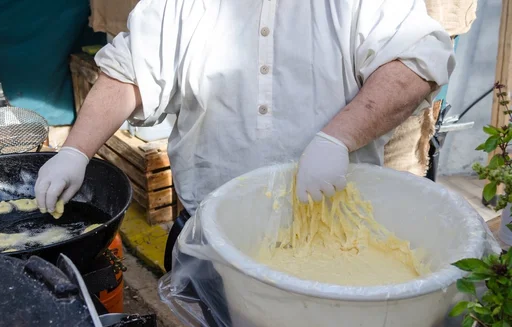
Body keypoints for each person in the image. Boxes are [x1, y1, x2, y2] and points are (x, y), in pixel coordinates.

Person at [35, 0, 455, 271]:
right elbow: (129, 73)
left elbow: (416, 61)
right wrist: (76, 150)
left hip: (332, 237)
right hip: (210, 236)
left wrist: (337, 138)